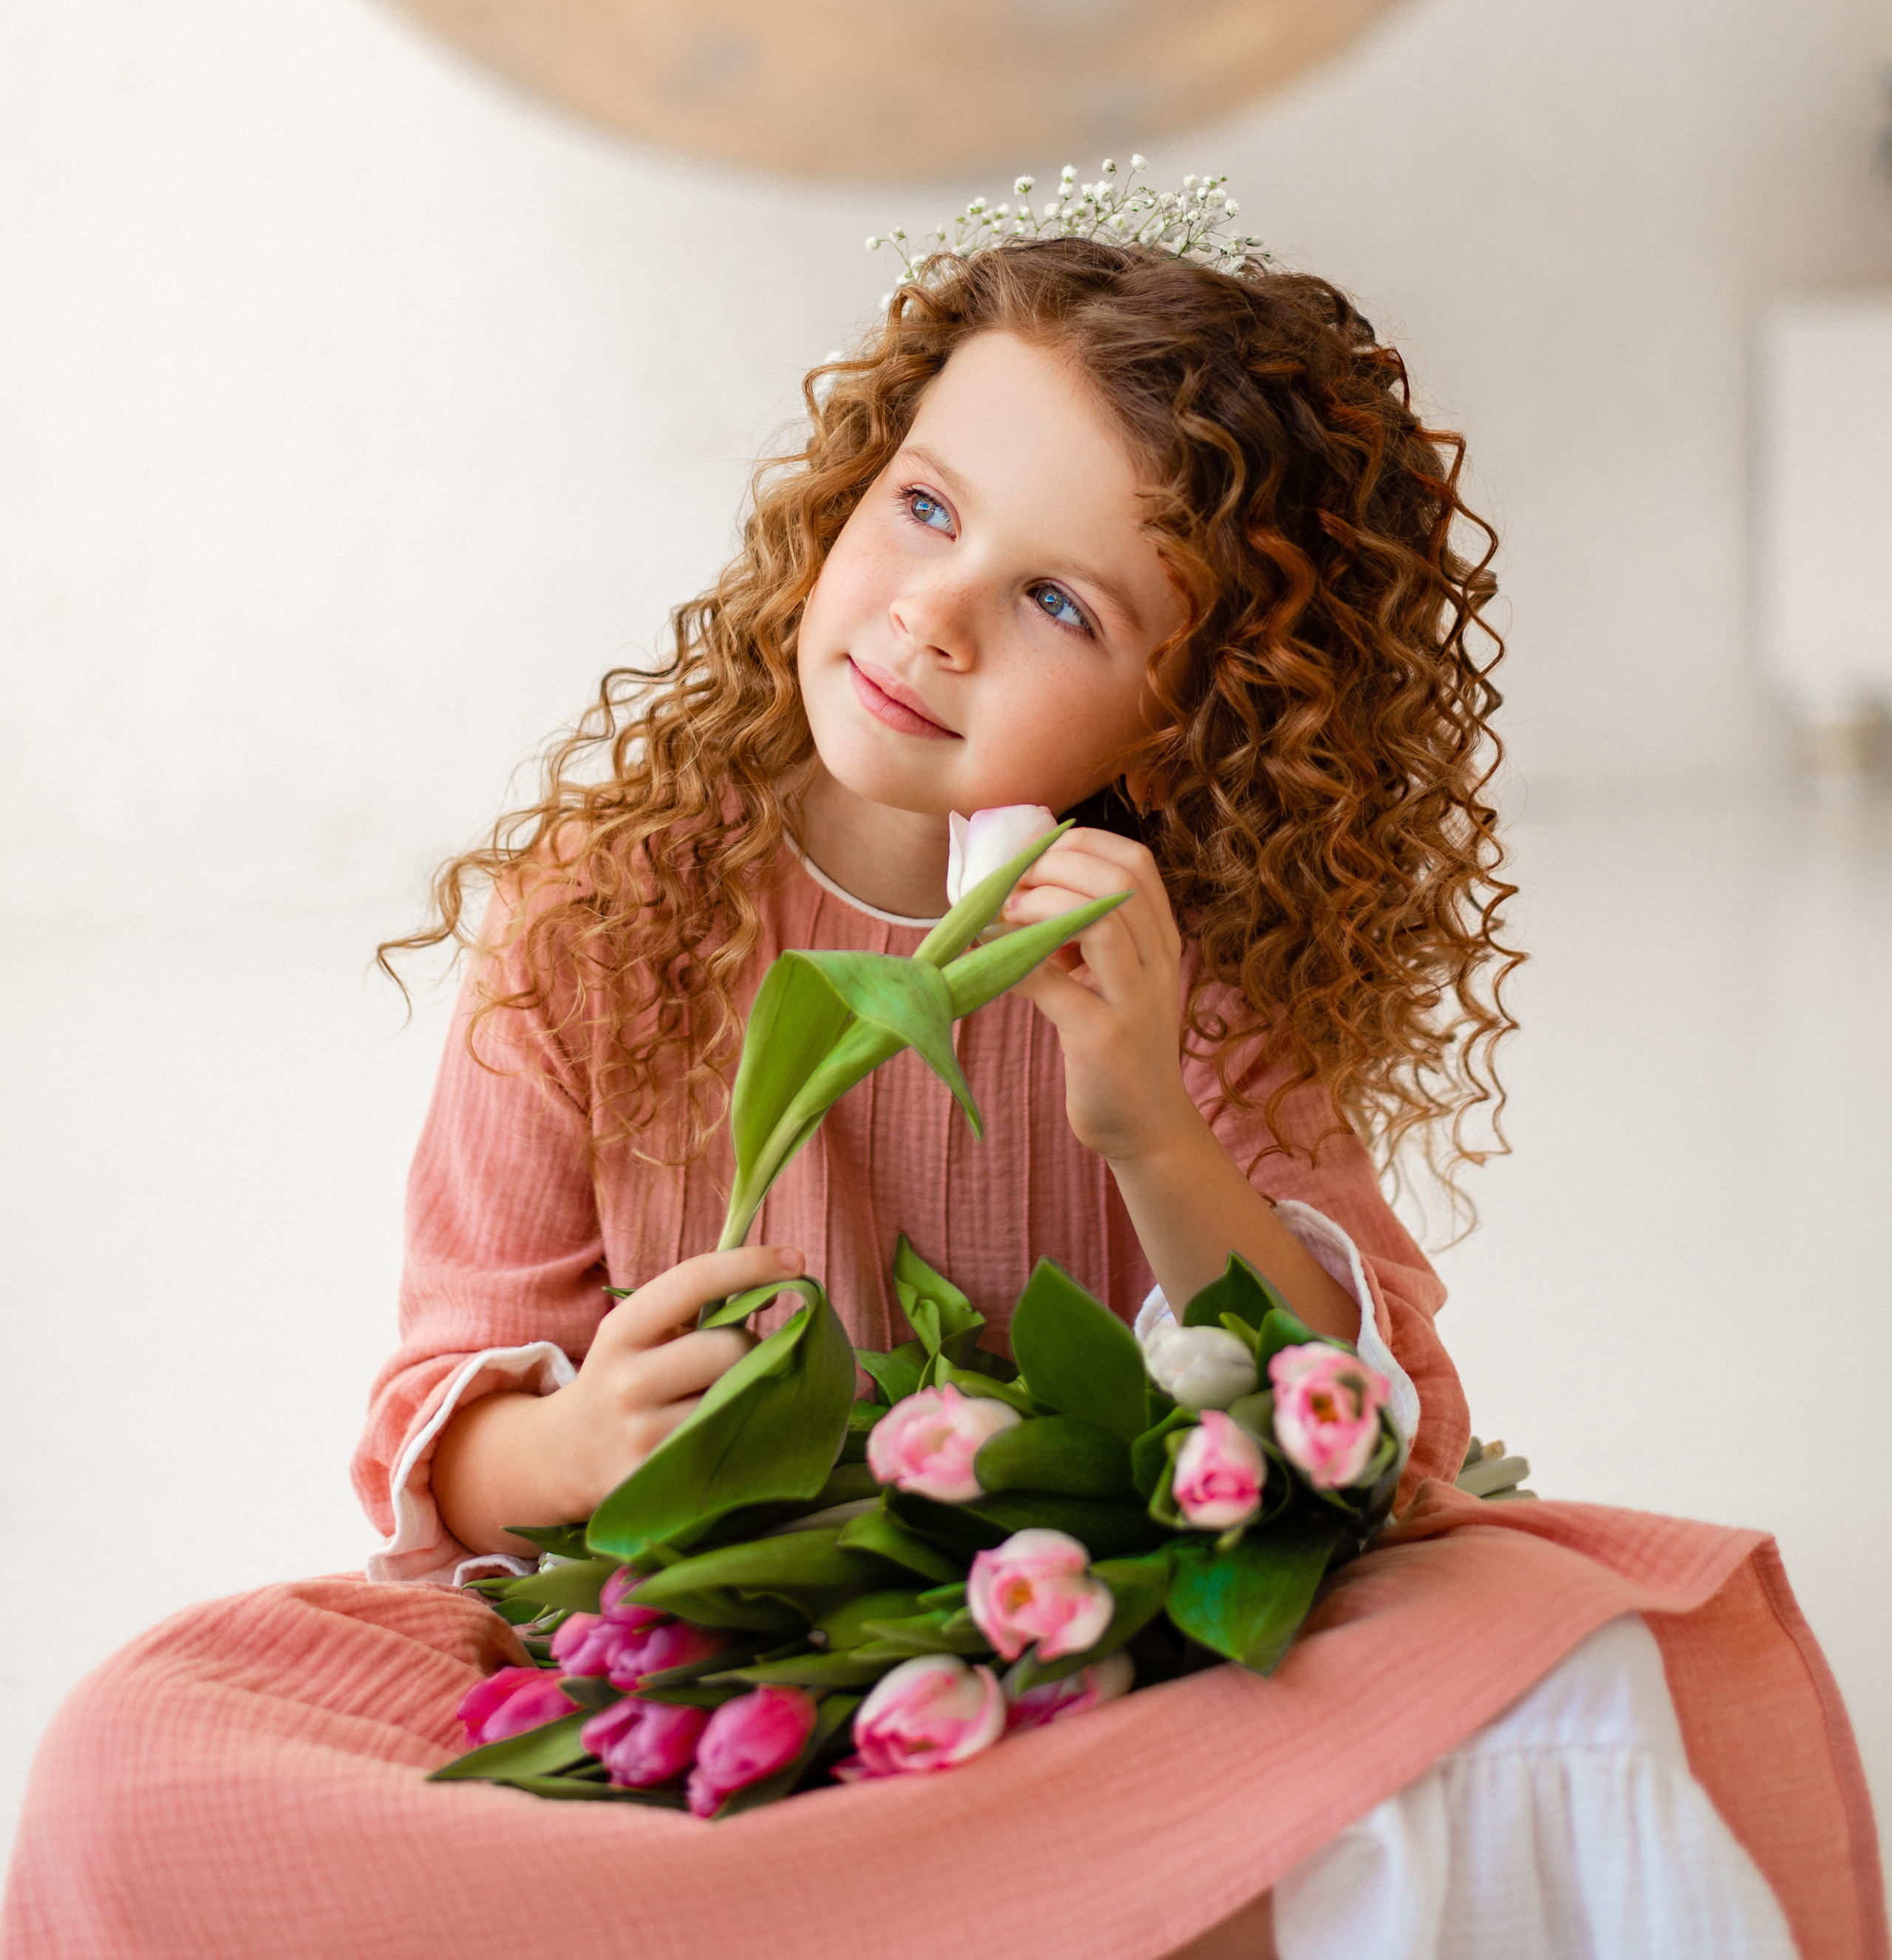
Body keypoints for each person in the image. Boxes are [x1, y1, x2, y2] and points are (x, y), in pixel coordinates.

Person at [4, 186, 1882, 1960]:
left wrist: (1142, 1108)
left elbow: (1369, 1439)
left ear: (1192, 710)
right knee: (130, 1764)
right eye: (924, 509)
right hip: (685, 1637)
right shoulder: (599, 920)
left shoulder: (1166, 968)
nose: (935, 612)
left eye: (1065, 606)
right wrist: (570, 1449)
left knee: (1552, 1646)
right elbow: (437, 1416)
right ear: (848, 484)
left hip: (1071, 1638)